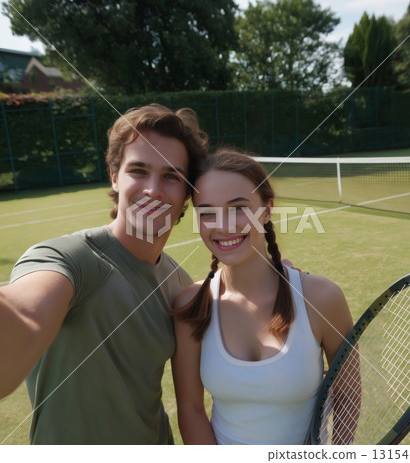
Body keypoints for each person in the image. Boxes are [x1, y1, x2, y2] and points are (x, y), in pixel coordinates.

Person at [0, 103, 208, 444]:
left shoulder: (178, 283)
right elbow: (24, 316)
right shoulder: (68, 258)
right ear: (115, 176)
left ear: (187, 192)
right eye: (139, 170)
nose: (154, 190)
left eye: (171, 176)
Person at [171, 148, 356, 445]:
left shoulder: (321, 297)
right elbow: (191, 409)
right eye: (207, 212)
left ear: (267, 210)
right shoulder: (192, 305)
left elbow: (347, 395)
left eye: (239, 208)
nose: (223, 226)